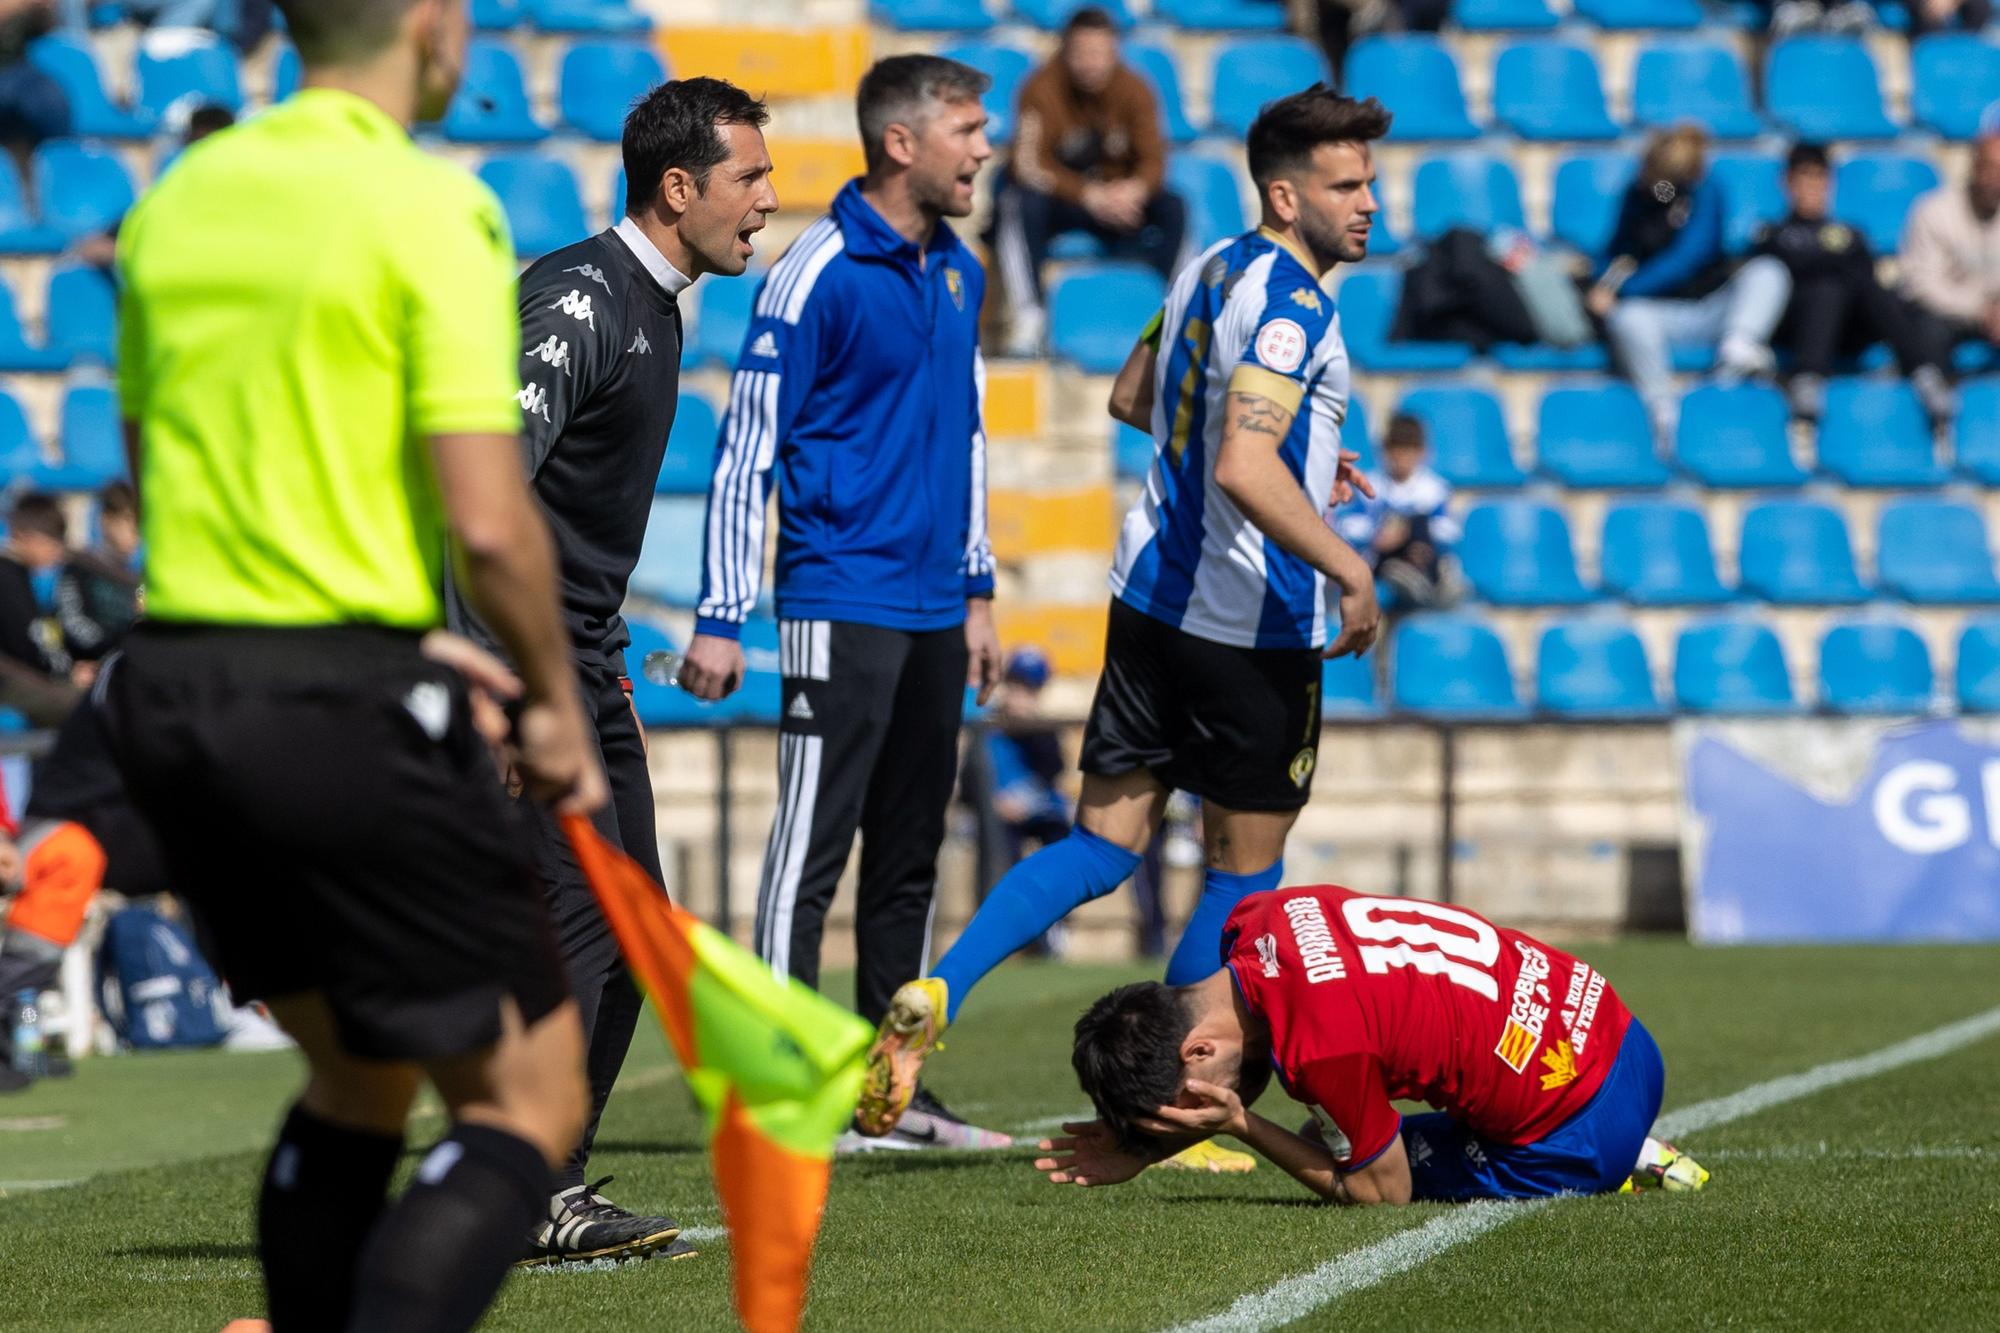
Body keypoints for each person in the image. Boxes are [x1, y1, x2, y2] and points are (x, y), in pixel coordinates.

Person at [100, 2, 607, 1329]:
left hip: (174, 689)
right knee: (530, 1098)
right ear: (433, 24)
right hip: (338, 707)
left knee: (357, 1079)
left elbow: (159, 475)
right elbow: (493, 522)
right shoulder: (427, 207)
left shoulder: (181, 200)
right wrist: (552, 701)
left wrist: (387, 619)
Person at [856, 87, 1385, 1158]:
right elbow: (1241, 461)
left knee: (1101, 845)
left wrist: (1295, 457)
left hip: (1148, 601)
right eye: (1344, 185)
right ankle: (1180, 1103)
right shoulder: (1294, 307)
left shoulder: (1204, 267)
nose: (1368, 203)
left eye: (1368, 181)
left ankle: (937, 988)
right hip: (1250, 626)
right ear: (1285, 196)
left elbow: (1136, 394)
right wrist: (1350, 568)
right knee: (1238, 881)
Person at [451, 74, 777, 1268]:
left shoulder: (658, 305)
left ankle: (530, 1179)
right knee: (586, 924)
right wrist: (500, 681)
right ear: (679, 185)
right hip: (527, 667)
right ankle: (524, 1187)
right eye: (748, 180)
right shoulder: (582, 299)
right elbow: (479, 485)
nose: (765, 206)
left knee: (626, 928)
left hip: (579, 660)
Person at [678, 53, 1010, 1151]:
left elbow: (964, 437)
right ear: (901, 142)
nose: (983, 146)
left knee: (910, 854)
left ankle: (885, 1094)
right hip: (834, 596)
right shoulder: (812, 267)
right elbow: (746, 449)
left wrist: (977, 592)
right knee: (808, 851)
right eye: (965, 128)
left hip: (930, 609)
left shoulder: (958, 268)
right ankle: (783, 1088)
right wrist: (722, 612)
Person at [1038, 883, 1710, 1204]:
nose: (1196, 1110)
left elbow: (1380, 1194)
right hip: (1619, 1026)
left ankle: (1626, 1163)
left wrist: (1240, 1123)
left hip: (1582, 1127)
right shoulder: (1258, 919)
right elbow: (1263, 1048)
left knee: (1368, 1162)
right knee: (1326, 1127)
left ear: (1198, 1054)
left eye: (1184, 1101)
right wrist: (1162, 1146)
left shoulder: (1319, 1048)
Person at [992, 6, 1185, 357]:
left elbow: (1155, 159)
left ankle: (1176, 311)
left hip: (1121, 202)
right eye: (1081, 53)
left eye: (1099, 53)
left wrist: (1136, 189)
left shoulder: (1136, 89)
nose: (1090, 63)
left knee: (1174, 205)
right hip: (1064, 202)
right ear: (1065, 51)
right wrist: (1088, 195)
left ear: (1115, 52)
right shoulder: (1039, 88)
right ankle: (1029, 314)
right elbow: (1027, 164)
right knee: (1017, 200)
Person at [1588, 124, 1792, 446]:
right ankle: (1660, 407)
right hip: (1662, 313)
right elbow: (1617, 249)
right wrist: (1605, 286)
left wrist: (1627, 289)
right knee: (1628, 318)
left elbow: (1690, 256)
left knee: (1768, 272)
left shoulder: (1701, 191)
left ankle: (1738, 346)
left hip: (1711, 305)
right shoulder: (1645, 195)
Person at [1757, 143, 1954, 424]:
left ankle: (1924, 372)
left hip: (1849, 326)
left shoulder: (1850, 232)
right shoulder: (1773, 233)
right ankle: (1807, 378)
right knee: (1827, 287)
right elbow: (1784, 272)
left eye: (1819, 177)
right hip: (1798, 328)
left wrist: (1828, 262)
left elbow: (1863, 271)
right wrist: (1832, 263)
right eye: (1803, 177)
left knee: (1872, 287)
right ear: (1787, 183)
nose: (1812, 186)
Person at [1331, 411, 1459, 610]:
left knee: (1419, 522)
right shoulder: (1371, 485)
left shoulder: (1433, 489)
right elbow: (1349, 527)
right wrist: (1378, 535)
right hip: (1383, 557)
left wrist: (1408, 530)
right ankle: (1405, 576)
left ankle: (1425, 576)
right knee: (1393, 523)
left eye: (1408, 451)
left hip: (1422, 554)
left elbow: (1448, 532)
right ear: (1385, 451)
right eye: (1396, 451)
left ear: (1421, 453)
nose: (1401, 458)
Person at [1901, 125, 2000, 372]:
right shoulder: (1933, 210)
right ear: (1973, 167)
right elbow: (1921, 285)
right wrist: (1979, 309)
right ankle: (1937, 405)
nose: (1994, 179)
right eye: (1988, 167)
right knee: (1927, 331)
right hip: (1946, 314)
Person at [55, 481, 142, 668]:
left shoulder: (138, 577)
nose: (136, 531)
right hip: (89, 670)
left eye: (140, 522)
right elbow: (73, 621)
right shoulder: (80, 567)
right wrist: (116, 649)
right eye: (127, 520)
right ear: (105, 520)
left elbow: (142, 617)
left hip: (127, 665)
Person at [0, 492, 74, 682]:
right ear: (23, 535)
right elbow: (29, 644)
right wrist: (69, 673)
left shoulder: (21, 574)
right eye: (52, 540)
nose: (59, 551)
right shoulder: (7, 578)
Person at [0, 1, 69, 169]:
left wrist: (39, 8)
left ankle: (60, 172)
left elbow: (47, 25)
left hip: (17, 67)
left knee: (50, 102)